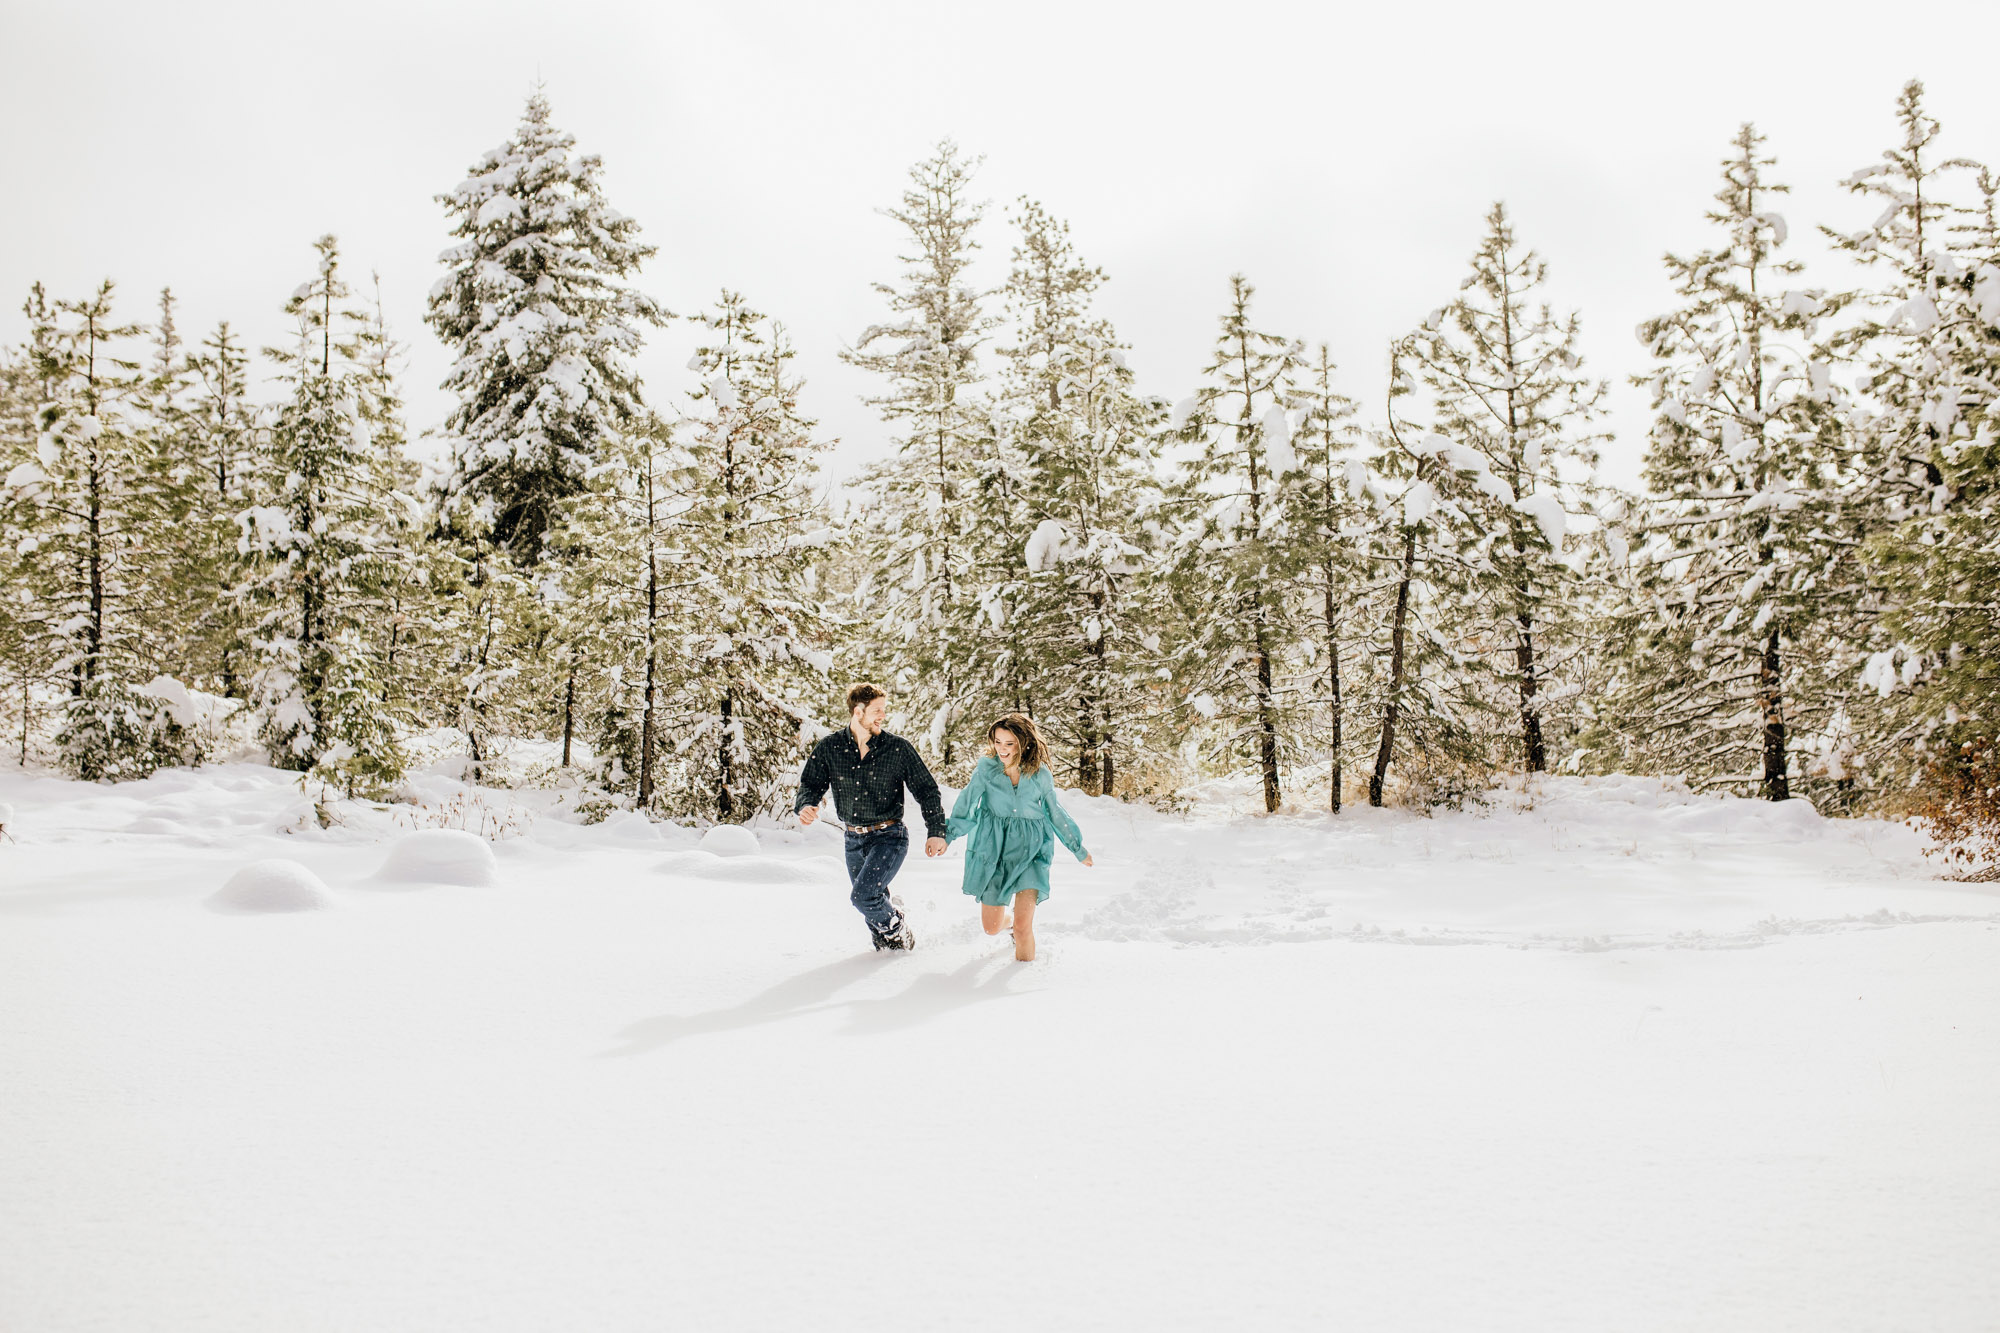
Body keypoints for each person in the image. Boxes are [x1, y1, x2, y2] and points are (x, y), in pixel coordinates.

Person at [795, 683, 948, 951]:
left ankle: (899, 925)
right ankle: (894, 956)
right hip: (853, 840)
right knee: (876, 925)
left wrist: (936, 830)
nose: (882, 716)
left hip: (889, 837)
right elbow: (810, 784)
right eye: (877, 710)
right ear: (858, 711)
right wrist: (806, 804)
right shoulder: (831, 747)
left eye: (883, 710)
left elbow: (926, 790)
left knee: (863, 897)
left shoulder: (897, 748)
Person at [946, 714, 1092, 962]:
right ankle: (1010, 923)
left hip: (1031, 851)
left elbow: (1055, 812)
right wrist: (947, 835)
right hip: (995, 852)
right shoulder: (986, 770)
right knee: (991, 927)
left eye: (1009, 743)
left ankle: (1025, 977)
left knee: (1026, 928)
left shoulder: (1039, 774)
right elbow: (967, 804)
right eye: (998, 742)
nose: (1002, 749)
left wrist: (1077, 848)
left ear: (1023, 743)